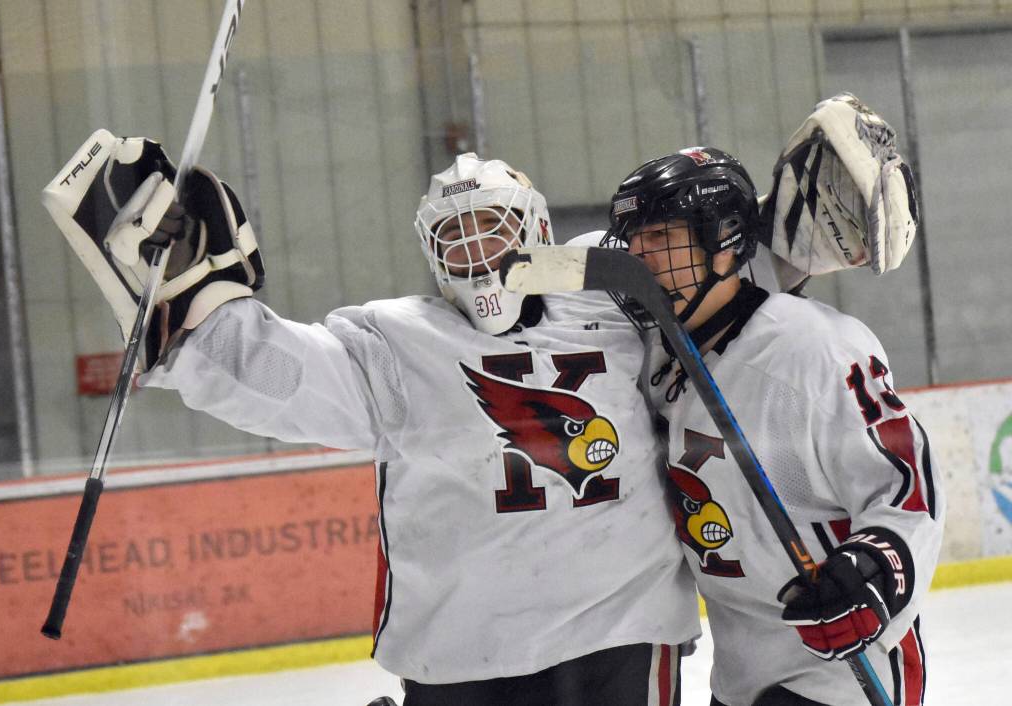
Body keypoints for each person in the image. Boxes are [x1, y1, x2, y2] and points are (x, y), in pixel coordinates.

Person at [44, 135, 700, 706]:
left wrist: (789, 220)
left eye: (495, 226)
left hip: (620, 631)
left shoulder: (616, 294)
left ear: (537, 229)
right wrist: (192, 292)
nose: (477, 249)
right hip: (459, 650)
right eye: (455, 234)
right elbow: (278, 375)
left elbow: (728, 280)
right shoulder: (397, 342)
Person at [599, 146, 944, 706]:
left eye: (661, 237)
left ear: (724, 240)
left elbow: (909, 488)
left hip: (842, 667)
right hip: (739, 668)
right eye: (633, 241)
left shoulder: (815, 349)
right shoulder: (658, 354)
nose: (641, 257)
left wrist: (875, 569)